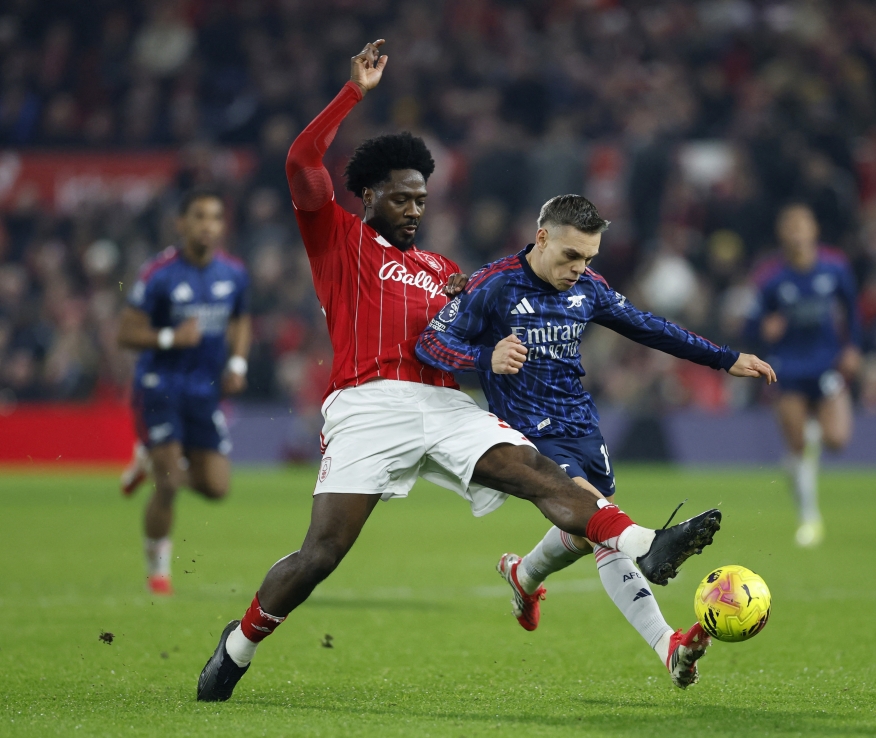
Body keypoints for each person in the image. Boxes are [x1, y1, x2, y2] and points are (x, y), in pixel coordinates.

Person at [197, 40, 722, 703]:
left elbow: (467, 340)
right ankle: (239, 645)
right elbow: (301, 160)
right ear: (369, 195)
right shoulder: (336, 236)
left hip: (444, 405)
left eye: (421, 200)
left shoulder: (443, 270)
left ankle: (648, 542)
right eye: (402, 198)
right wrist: (353, 93)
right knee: (321, 555)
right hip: (368, 403)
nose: (415, 210)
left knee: (540, 474)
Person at [416, 194, 776, 688]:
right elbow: (430, 342)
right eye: (571, 255)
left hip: (581, 424)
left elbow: (649, 328)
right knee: (603, 523)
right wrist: (484, 358)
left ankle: (524, 575)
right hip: (528, 433)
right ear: (542, 237)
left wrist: (724, 358)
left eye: (589, 258)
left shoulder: (588, 288)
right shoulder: (494, 284)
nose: (579, 268)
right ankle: (667, 641)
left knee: (592, 531)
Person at [117, 188, 251, 595]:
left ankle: (147, 462)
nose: (208, 225)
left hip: (204, 390)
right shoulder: (158, 274)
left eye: (215, 217)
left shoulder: (234, 273)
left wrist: (237, 363)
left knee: (217, 487)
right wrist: (169, 338)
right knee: (170, 482)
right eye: (199, 216)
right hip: (160, 386)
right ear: (181, 223)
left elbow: (241, 320)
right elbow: (126, 333)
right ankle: (158, 573)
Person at [745, 203, 861, 547]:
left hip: (827, 365)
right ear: (782, 234)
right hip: (789, 369)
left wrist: (853, 347)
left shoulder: (835, 268)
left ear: (814, 231)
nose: (796, 234)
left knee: (837, 439)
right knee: (796, 445)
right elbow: (751, 324)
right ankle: (809, 518)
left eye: (802, 226)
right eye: (790, 227)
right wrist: (764, 328)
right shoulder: (771, 277)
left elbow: (853, 311)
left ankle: (808, 443)